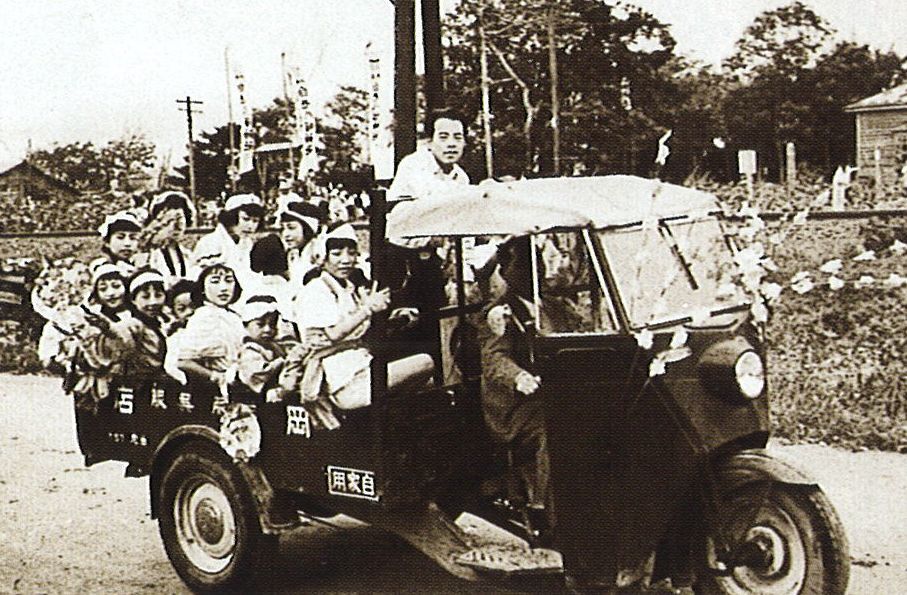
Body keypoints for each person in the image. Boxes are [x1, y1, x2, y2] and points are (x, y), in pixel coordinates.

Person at [290, 223, 433, 411]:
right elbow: (333, 334)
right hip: (340, 379)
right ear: (323, 257)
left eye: (351, 253)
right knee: (425, 362)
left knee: (427, 386)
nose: (346, 260)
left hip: (359, 364)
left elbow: (359, 326)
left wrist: (394, 317)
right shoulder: (316, 290)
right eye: (337, 253)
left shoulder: (347, 288)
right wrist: (367, 308)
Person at [479, 236, 554, 544]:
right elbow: (494, 359)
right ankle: (544, 510)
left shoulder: (545, 303)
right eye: (527, 265)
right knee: (556, 430)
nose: (538, 270)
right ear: (511, 272)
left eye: (538, 262)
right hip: (513, 409)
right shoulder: (501, 313)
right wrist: (519, 376)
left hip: (548, 394)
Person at [176, 263, 245, 391]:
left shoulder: (234, 317)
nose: (224, 288)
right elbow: (183, 361)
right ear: (203, 288)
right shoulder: (204, 317)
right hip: (214, 389)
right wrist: (215, 376)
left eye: (229, 281)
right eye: (215, 282)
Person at [387, 108, 470, 203]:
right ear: (430, 141)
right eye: (443, 137)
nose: (451, 144)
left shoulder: (461, 177)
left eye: (458, 137)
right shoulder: (414, 165)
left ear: (465, 143)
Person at [192, 193, 264, 289]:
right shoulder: (210, 242)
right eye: (246, 219)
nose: (251, 226)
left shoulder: (246, 243)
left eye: (255, 221)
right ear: (231, 218)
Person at [233, 296, 288, 403]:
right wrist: (283, 361)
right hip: (255, 401)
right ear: (246, 325)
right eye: (260, 325)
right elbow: (259, 375)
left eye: (272, 325)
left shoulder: (274, 347)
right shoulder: (249, 350)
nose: (267, 330)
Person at [137, 190, 196, 286]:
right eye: (171, 220)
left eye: (181, 218)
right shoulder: (149, 254)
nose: (176, 225)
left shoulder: (187, 254)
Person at [278, 199, 323, 291]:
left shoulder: (319, 250)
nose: (285, 234)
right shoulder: (292, 254)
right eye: (282, 228)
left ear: (307, 229)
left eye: (291, 228)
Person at [91, 210, 143, 276]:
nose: (127, 243)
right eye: (120, 237)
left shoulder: (140, 265)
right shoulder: (99, 267)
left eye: (133, 238)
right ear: (107, 242)